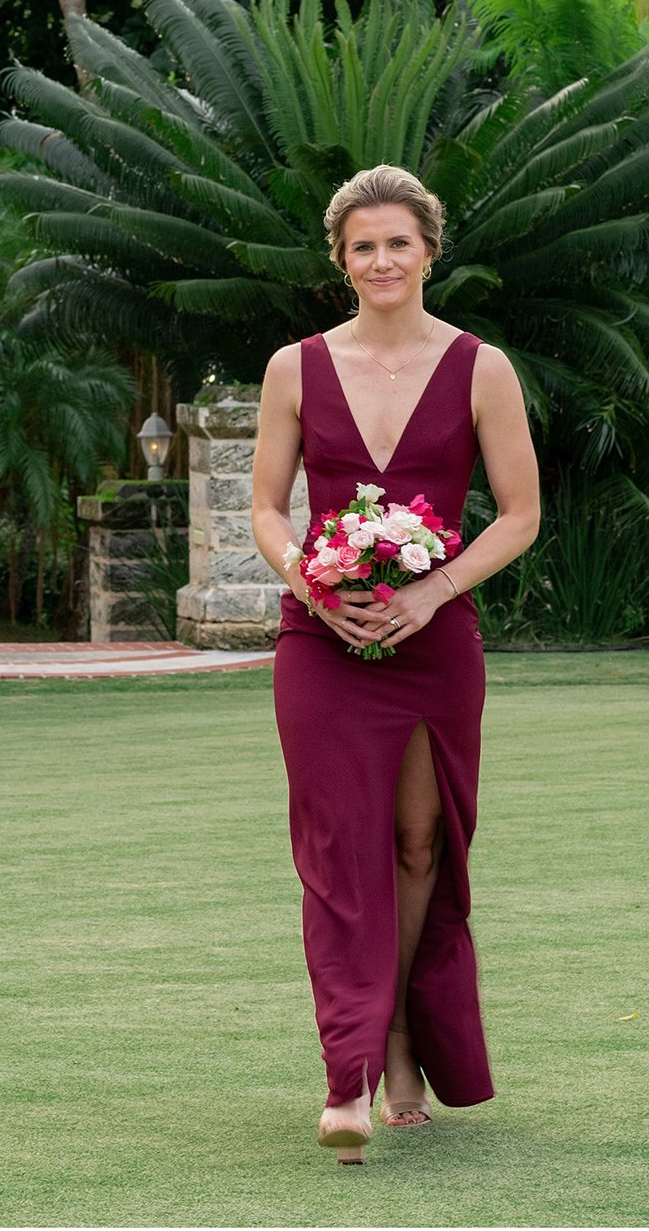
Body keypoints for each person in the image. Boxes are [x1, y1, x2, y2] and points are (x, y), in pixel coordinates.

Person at [252, 165, 543, 1165]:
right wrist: (309, 583)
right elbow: (265, 508)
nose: (381, 260)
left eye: (397, 243)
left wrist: (429, 592)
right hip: (318, 643)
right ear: (338, 261)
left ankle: (401, 1034)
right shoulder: (294, 367)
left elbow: (518, 514)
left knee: (420, 844)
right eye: (361, 246)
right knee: (338, 853)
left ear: (427, 252)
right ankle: (346, 1075)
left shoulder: (480, 368)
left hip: (436, 640)